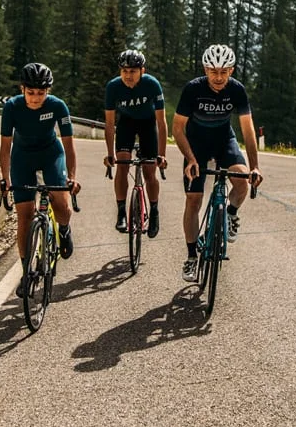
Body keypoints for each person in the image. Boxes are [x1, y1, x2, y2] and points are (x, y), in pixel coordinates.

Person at [172, 44, 262, 282]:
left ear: (231, 70)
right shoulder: (193, 89)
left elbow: (248, 130)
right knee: (193, 200)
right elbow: (177, 129)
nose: (219, 77)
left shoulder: (237, 90)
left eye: (224, 72)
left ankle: (230, 213)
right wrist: (191, 159)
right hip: (196, 145)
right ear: (206, 69)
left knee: (242, 181)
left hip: (224, 141)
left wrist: (254, 166)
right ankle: (191, 258)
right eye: (214, 71)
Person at [0, 62, 81, 297]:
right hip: (22, 157)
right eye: (31, 92)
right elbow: (5, 147)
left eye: (41, 93)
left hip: (51, 154)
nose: (36, 98)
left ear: (48, 91)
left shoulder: (57, 106)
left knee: (62, 205)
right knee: (24, 215)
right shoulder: (11, 107)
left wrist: (72, 178)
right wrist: (5, 179)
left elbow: (69, 146)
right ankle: (26, 271)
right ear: (22, 89)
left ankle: (63, 230)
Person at [103, 49, 168, 237]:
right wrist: (110, 154)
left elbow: (161, 123)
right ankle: (121, 212)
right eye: (124, 71)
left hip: (148, 124)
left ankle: (154, 211)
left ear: (142, 71)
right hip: (126, 124)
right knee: (122, 165)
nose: (128, 75)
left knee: (149, 171)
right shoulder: (113, 87)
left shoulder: (152, 85)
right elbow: (109, 124)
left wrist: (161, 155)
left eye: (133, 71)